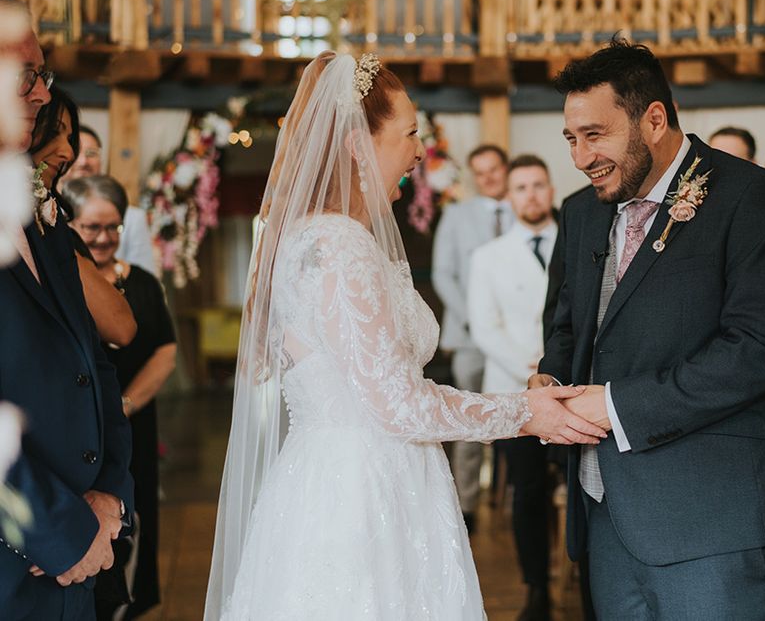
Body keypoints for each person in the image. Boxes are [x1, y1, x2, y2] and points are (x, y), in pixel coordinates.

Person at [203, 52, 606, 620]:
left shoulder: (312, 239)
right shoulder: (338, 245)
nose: (420, 151)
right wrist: (524, 413)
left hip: (335, 477)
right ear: (355, 145)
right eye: (410, 134)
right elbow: (396, 404)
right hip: (362, 498)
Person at [532, 37, 765, 619]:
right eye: (571, 138)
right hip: (602, 512)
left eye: (595, 135)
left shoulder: (749, 197)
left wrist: (615, 406)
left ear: (654, 119)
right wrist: (550, 378)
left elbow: (755, 350)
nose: (581, 157)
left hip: (706, 521)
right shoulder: (581, 211)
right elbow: (568, 326)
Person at [0, 0, 133, 621]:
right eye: (27, 75)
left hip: (76, 561)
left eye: (43, 77)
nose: (41, 95)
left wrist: (110, 496)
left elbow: (94, 365)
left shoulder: (40, 219)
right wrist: (56, 530)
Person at [62, 175, 177, 619]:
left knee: (135, 519)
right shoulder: (63, 283)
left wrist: (124, 405)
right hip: (79, 430)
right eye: (93, 228)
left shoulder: (143, 283)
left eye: (114, 227)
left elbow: (164, 351)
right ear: (71, 228)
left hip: (131, 424)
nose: (105, 238)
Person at [468, 154, 557, 621]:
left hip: (575, 384)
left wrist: (557, 365)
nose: (531, 195)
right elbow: (484, 329)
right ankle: (536, 588)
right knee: (529, 491)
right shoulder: (488, 257)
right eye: (521, 187)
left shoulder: (578, 242)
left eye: (539, 185)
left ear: (552, 190)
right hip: (514, 391)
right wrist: (532, 369)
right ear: (509, 197)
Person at [431, 143, 513, 533]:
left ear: (505, 168)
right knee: (469, 421)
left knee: (519, 415)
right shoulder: (456, 216)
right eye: (480, 173)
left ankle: (515, 498)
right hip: (468, 337)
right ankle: (466, 505)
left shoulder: (525, 211)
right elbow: (442, 274)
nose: (488, 179)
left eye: (494, 170)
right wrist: (472, 318)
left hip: (517, 341)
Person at [30, 85, 137, 348]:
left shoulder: (58, 232)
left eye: (70, 140)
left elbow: (121, 327)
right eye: (54, 132)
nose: (68, 154)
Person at [62, 125, 156, 276]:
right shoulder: (47, 215)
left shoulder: (133, 218)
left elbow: (145, 278)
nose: (83, 161)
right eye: (75, 152)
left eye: (91, 153)